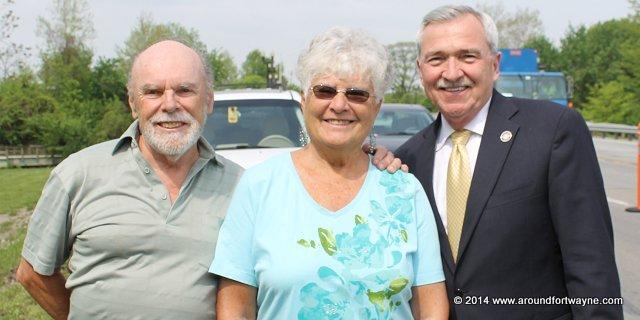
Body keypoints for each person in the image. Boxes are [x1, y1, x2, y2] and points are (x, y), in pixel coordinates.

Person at [15, 39, 401, 319]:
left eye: (185, 90)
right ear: (133, 102)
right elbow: (32, 273)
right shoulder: (78, 173)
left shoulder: (247, 186)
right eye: (153, 92)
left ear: (208, 101)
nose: (170, 104)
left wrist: (363, 155)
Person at [395, 5, 622, 320]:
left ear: (495, 64)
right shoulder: (408, 159)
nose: (451, 72)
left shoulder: (553, 130)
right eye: (437, 59)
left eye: (467, 56)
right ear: (421, 70)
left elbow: (592, 266)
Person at [210, 27, 449, 320]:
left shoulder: (404, 190)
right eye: (324, 91)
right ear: (304, 101)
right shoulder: (259, 186)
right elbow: (236, 308)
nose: (339, 104)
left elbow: (431, 306)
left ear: (376, 108)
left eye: (357, 94)